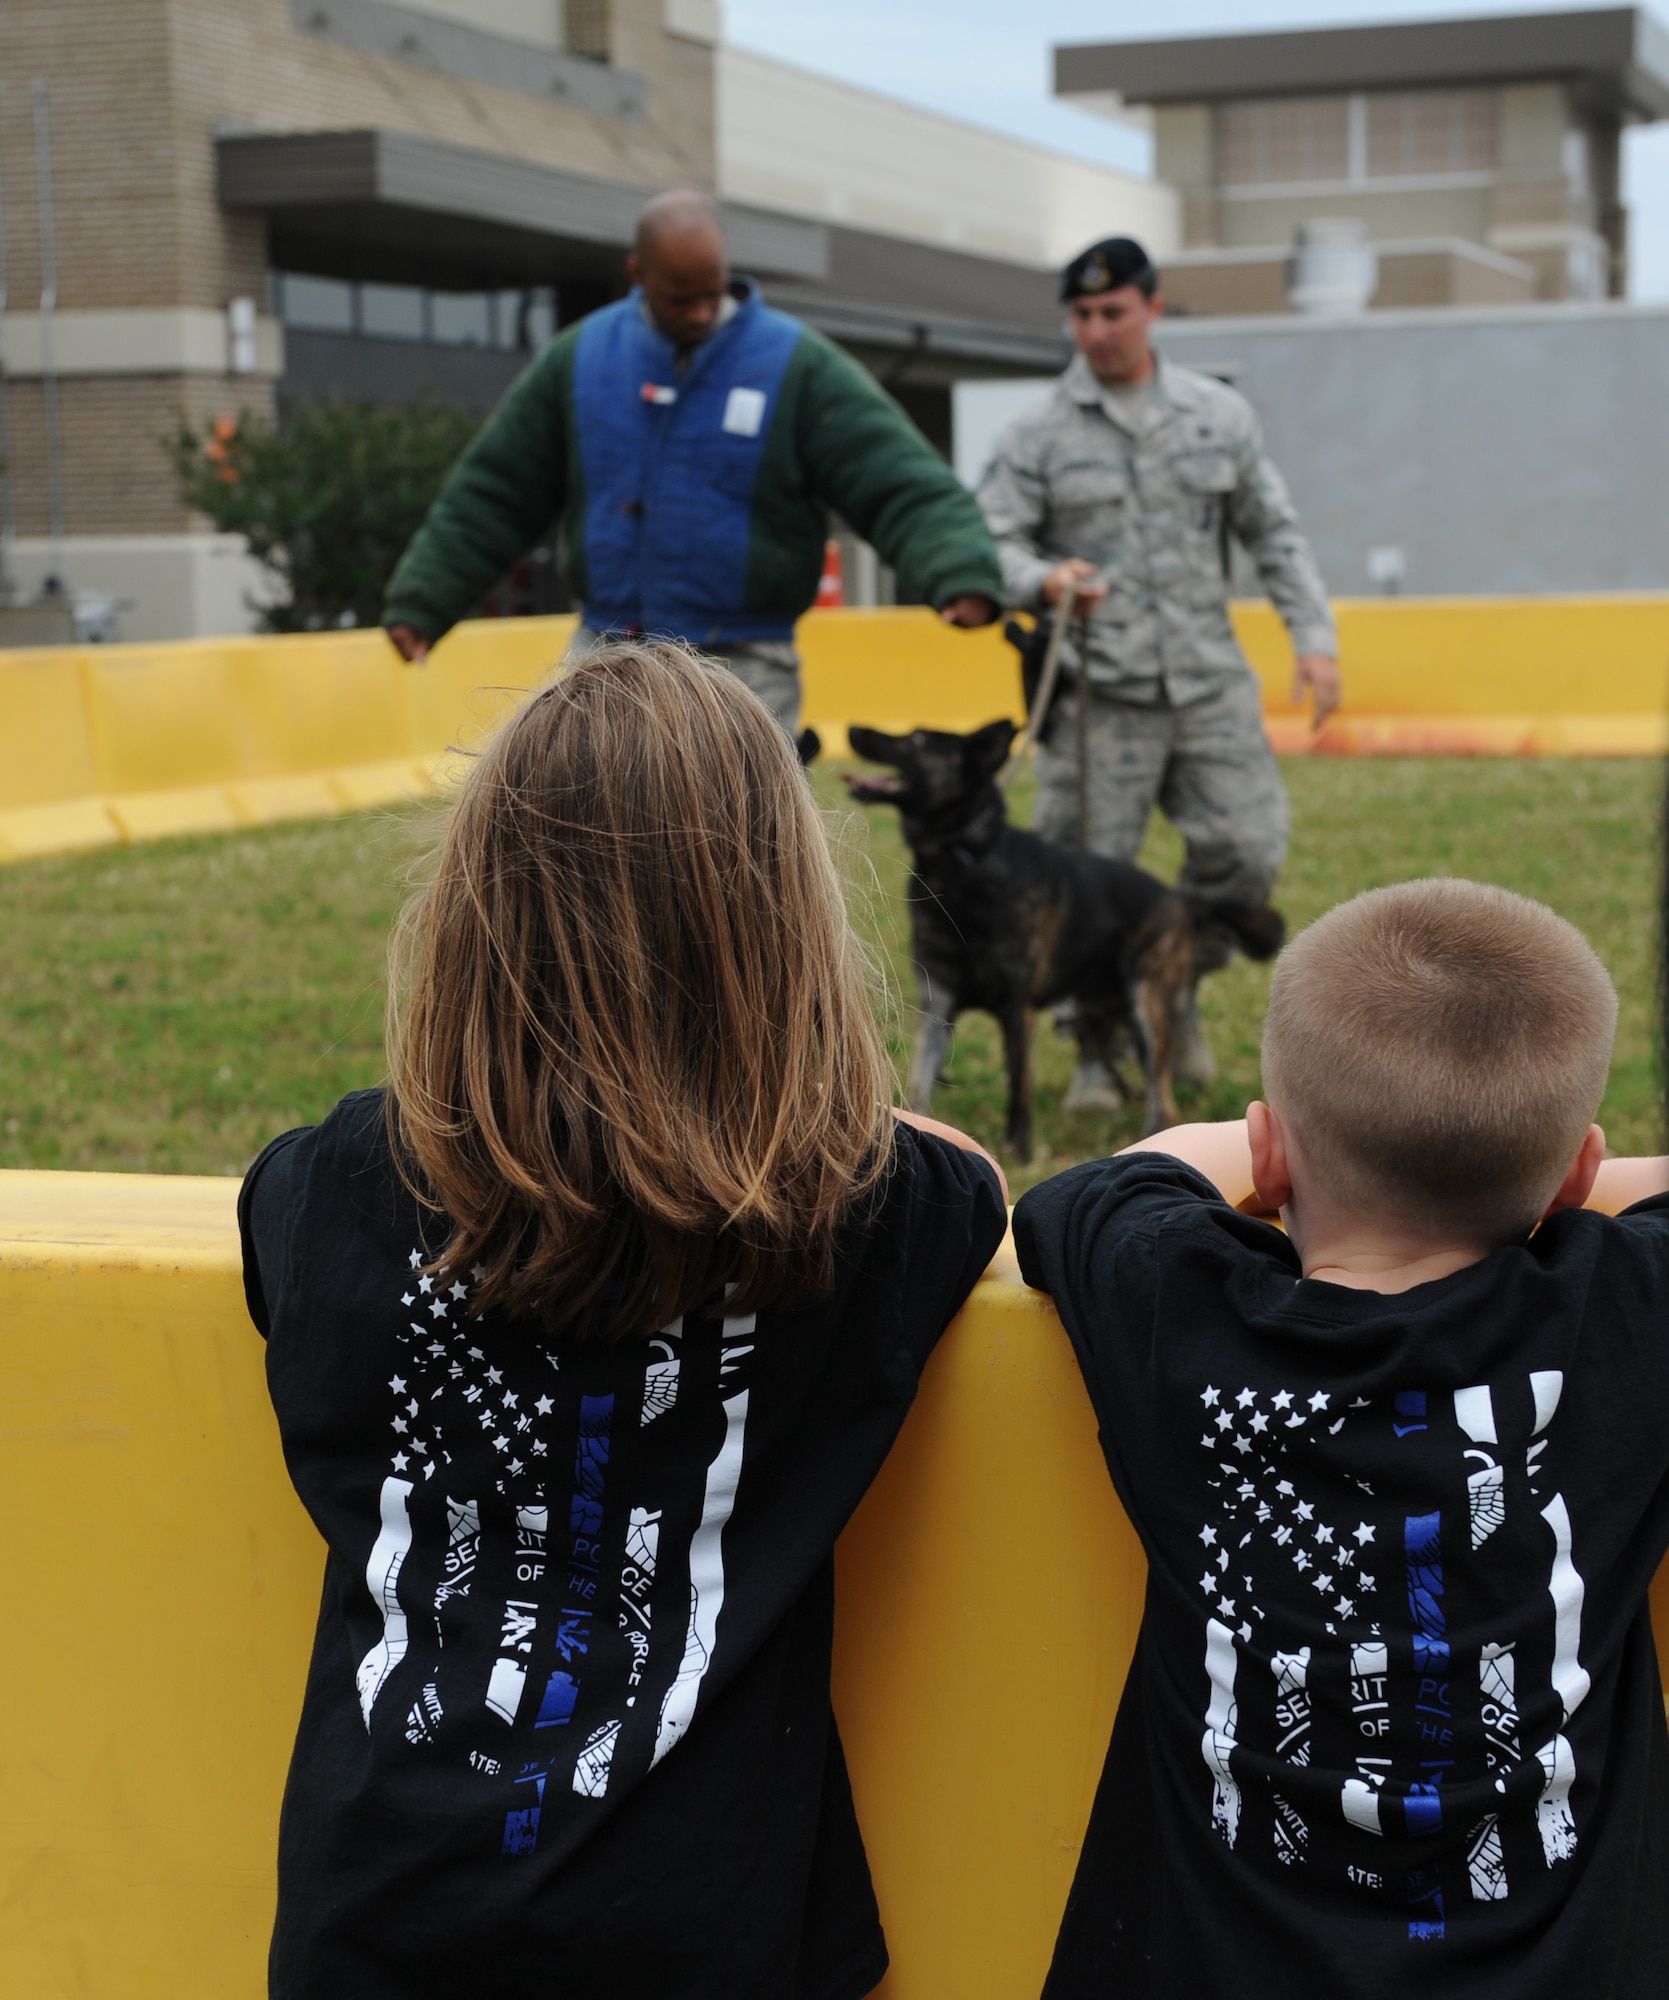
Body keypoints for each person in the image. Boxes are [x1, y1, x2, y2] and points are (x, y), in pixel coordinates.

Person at [239, 642, 1008, 1999]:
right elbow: (966, 1173)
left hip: (372, 1932)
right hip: (706, 1941)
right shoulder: (870, 1217)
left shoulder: (332, 1190)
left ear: (473, 915)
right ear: (787, 932)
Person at [1012, 877, 1669, 1996]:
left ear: (1266, 1160)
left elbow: (1113, 1181)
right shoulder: (1626, 1311)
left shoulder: (1173, 1298)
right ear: (1575, 1176)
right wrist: (1567, 1179)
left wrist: (1278, 1146)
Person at [382, 191, 1003, 734]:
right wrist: (425, 599)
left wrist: (960, 569)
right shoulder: (582, 359)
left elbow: (897, 477)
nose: (701, 313)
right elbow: (496, 489)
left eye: (712, 295)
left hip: (745, 658)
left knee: (739, 843)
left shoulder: (796, 365)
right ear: (638, 273)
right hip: (609, 648)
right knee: (591, 828)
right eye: (682, 300)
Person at [978, 235, 1340, 1104]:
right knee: (1081, 882)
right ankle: (1098, 1044)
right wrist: (1043, 579)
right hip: (1099, 694)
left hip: (1206, 683)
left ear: (1152, 307)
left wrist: (1313, 637)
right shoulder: (1035, 432)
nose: (1097, 330)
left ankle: (1172, 979)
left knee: (1246, 852)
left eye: (1113, 311)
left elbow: (1272, 532)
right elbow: (988, 542)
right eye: (1082, 315)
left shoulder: (1217, 414)